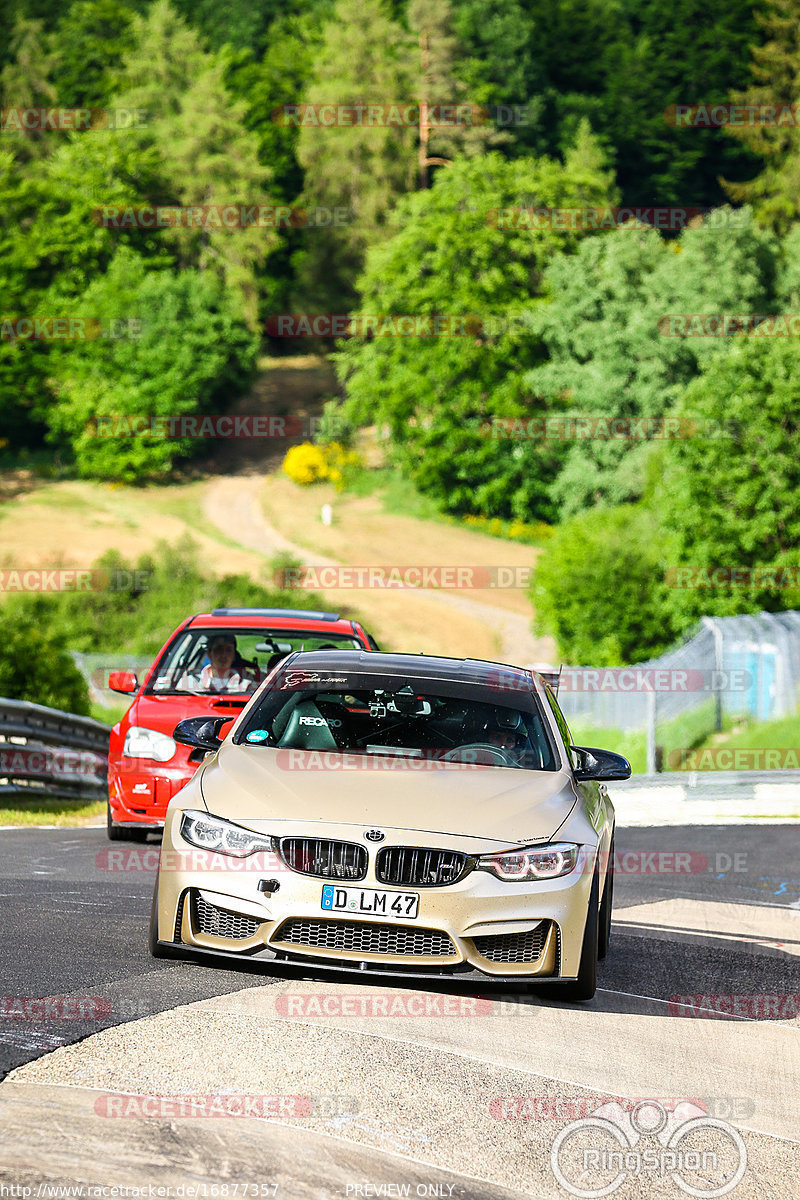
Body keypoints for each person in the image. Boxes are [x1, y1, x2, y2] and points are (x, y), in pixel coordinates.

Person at [177, 634, 253, 693]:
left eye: (228, 650)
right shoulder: (188, 683)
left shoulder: (246, 686)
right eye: (219, 649)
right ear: (209, 654)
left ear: (234, 656)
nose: (223, 655)